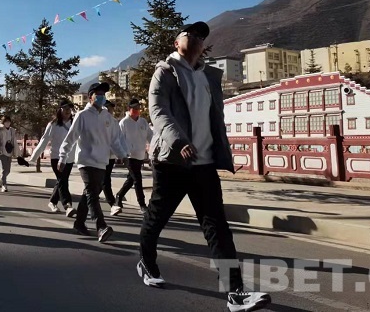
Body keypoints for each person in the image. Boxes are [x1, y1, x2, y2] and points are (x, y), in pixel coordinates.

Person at [137, 22, 271, 312]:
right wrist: (178, 141)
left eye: (201, 36)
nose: (197, 38)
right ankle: (146, 262)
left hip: (204, 164)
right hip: (172, 162)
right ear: (177, 42)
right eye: (191, 33)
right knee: (157, 218)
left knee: (217, 228)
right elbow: (158, 111)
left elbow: (215, 118)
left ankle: (236, 293)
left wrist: (222, 151)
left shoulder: (208, 76)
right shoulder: (165, 72)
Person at [58, 83, 128, 244]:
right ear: (90, 97)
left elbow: (115, 140)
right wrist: (62, 157)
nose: (102, 97)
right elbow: (70, 138)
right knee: (92, 193)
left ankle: (79, 223)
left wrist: (123, 156)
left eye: (103, 94)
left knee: (90, 193)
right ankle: (101, 226)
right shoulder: (82, 116)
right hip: (86, 160)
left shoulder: (108, 118)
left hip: (102, 162)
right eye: (98, 94)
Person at [30, 99, 76, 217]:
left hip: (69, 158)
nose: (68, 111)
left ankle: (52, 202)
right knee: (63, 181)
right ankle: (68, 205)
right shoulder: (53, 124)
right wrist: (33, 158)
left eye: (69, 109)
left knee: (61, 180)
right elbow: (44, 141)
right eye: (65, 108)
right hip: (56, 157)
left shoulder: (75, 123)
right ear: (59, 110)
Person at [111, 99, 153, 216]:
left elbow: (150, 136)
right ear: (129, 109)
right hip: (128, 156)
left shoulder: (143, 122)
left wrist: (154, 147)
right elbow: (119, 140)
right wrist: (121, 154)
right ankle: (142, 204)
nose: (136, 110)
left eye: (138, 108)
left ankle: (119, 196)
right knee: (137, 179)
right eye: (134, 108)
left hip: (140, 155)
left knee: (131, 179)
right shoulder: (124, 123)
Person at [101, 99, 126, 214]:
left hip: (111, 156)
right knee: (105, 180)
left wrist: (124, 153)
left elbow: (119, 139)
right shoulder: (99, 121)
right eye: (108, 107)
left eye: (111, 108)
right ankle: (112, 204)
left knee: (103, 181)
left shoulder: (114, 122)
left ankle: (85, 205)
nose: (110, 110)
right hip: (100, 156)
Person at [0, 114, 18, 193]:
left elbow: (14, 141)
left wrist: (16, 152)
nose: (7, 123)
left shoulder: (12, 130)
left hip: (9, 151)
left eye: (9, 121)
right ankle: (4, 185)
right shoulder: (0, 129)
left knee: (8, 170)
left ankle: (0, 178)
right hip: (1, 151)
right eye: (6, 121)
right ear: (3, 122)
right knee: (4, 169)